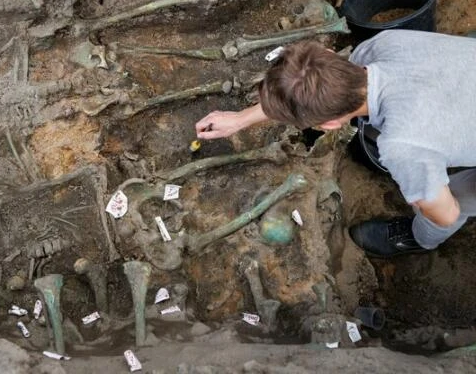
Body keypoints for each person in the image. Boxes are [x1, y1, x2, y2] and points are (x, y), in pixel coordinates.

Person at [194, 30, 476, 258]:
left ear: (329, 125)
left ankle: (419, 240)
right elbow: (307, 86)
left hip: (429, 138)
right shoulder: (383, 45)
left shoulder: (402, 145)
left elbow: (446, 214)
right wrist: (242, 118)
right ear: (329, 55)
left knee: (450, 205)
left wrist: (422, 199)